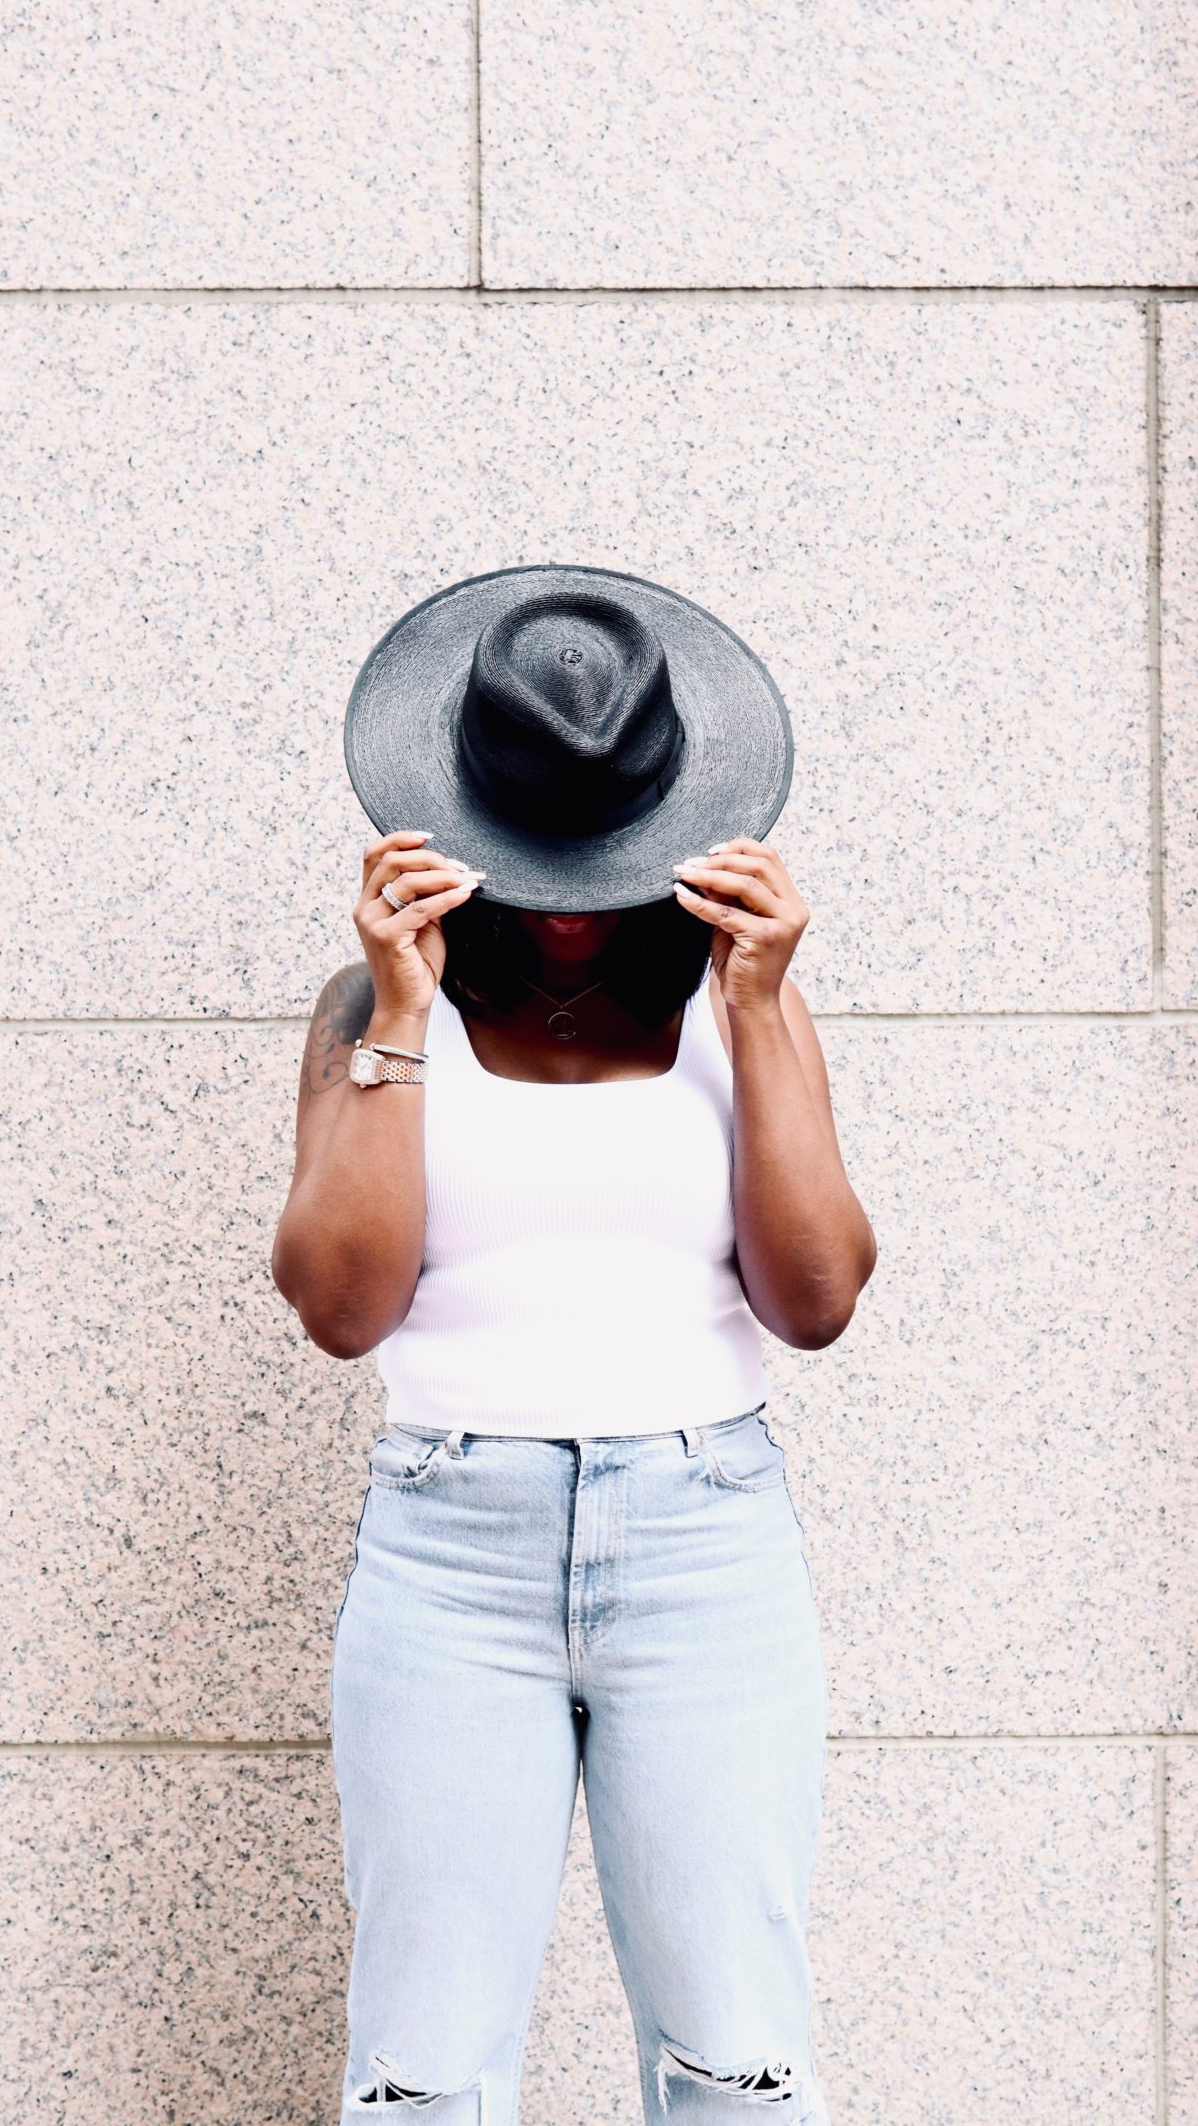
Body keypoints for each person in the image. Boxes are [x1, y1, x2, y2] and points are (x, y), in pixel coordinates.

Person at [272, 568, 875, 2123]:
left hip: (704, 1547)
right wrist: (403, 1012)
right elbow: (341, 1309)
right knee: (421, 2079)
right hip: (448, 1552)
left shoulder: (750, 1005)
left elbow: (816, 1298)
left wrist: (759, 1004)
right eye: (530, 854)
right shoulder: (368, 1009)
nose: (556, 903)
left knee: (740, 2065)